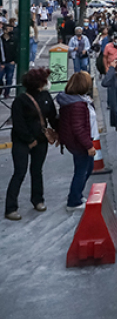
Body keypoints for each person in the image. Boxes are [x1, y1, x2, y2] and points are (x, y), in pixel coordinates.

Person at [5, 67, 57, 220]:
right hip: (23, 142)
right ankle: (10, 208)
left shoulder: (46, 96)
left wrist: (58, 131)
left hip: (41, 141)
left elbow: (52, 116)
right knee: (19, 172)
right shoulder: (20, 101)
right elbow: (19, 124)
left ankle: (38, 200)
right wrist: (29, 140)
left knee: (37, 170)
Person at [57, 72, 97, 212]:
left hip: (76, 142)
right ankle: (74, 200)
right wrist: (88, 145)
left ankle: (77, 195)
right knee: (82, 170)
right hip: (79, 143)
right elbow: (78, 128)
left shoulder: (76, 101)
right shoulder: (77, 105)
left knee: (87, 168)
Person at [0, 24, 18, 98]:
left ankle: (6, 93)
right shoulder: (1, 39)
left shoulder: (14, 38)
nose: (10, 30)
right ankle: (1, 90)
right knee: (0, 78)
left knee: (9, 78)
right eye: (8, 29)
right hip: (2, 62)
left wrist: (14, 60)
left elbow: (17, 50)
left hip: (11, 62)